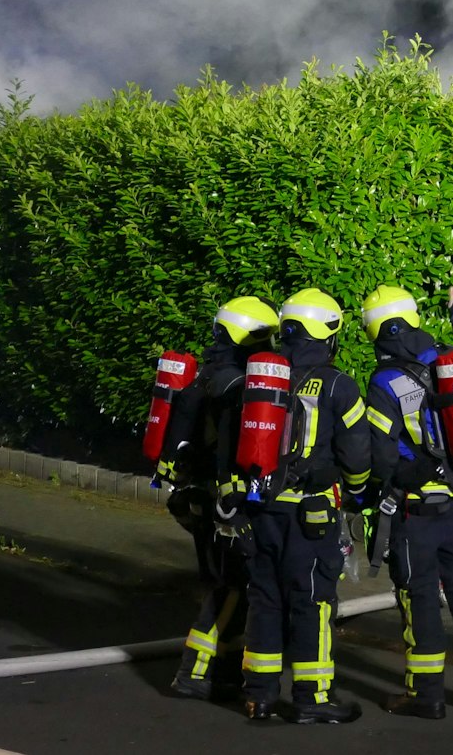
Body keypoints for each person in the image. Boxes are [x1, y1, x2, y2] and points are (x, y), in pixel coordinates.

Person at [361, 284, 453, 720]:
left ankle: (426, 695)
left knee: (419, 598)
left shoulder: (383, 382)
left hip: (417, 515)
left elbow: (383, 457)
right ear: (411, 319)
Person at [232, 288, 373, 724]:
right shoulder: (339, 385)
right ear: (327, 334)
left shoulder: (260, 378)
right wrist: (358, 494)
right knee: (313, 602)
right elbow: (357, 455)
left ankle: (259, 696)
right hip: (310, 516)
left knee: (266, 600)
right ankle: (312, 698)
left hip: (260, 510)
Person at [158, 295, 279, 702]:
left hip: (196, 498)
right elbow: (229, 451)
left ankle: (223, 671)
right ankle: (192, 674)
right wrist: (235, 505)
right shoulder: (234, 386)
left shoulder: (205, 377)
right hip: (221, 502)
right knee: (231, 585)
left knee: (224, 582)